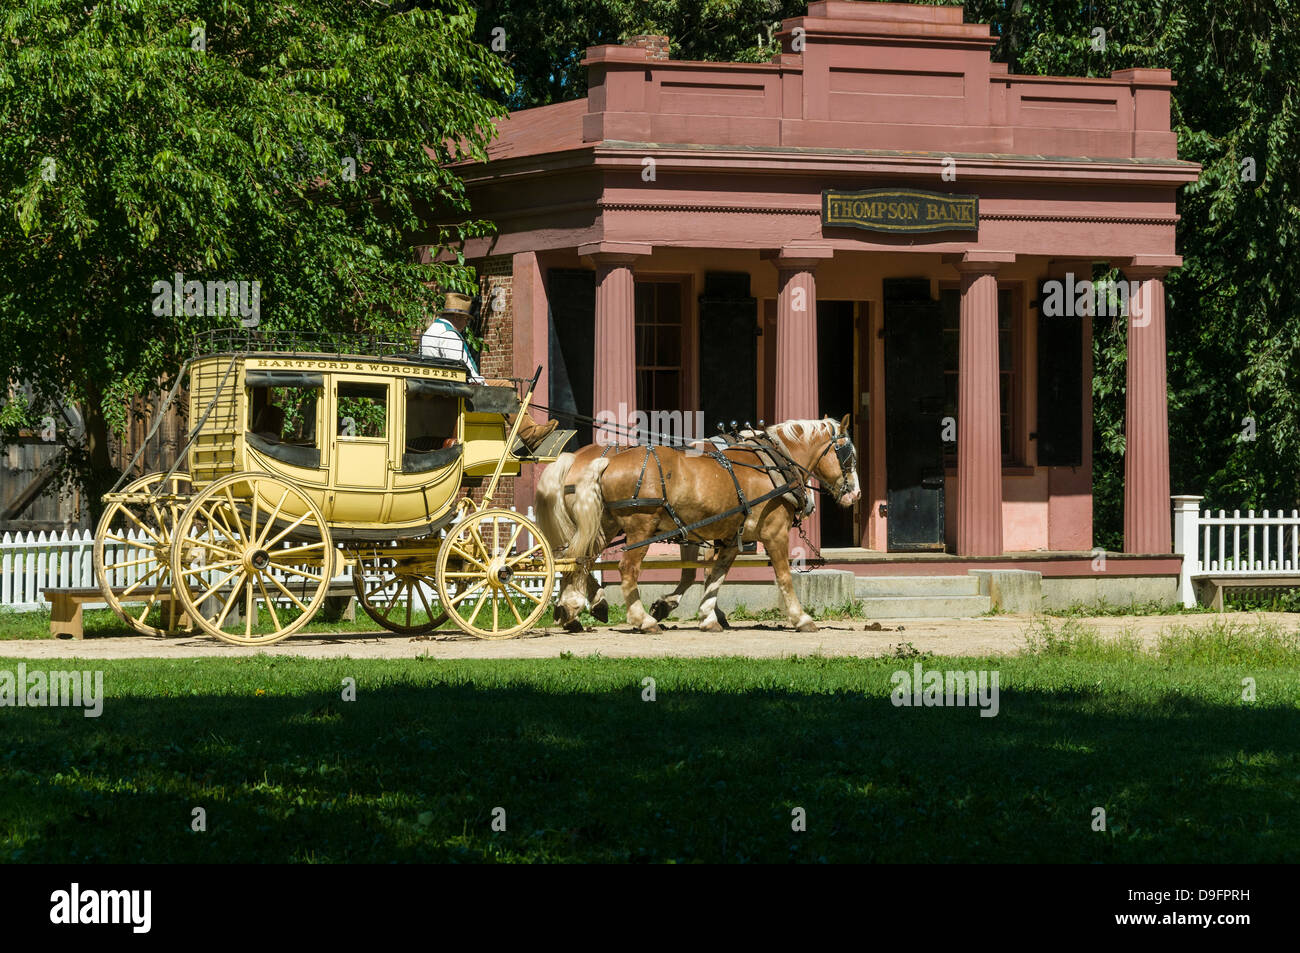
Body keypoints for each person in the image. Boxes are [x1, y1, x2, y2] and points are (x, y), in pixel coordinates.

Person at [420, 292, 558, 451]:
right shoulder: (449, 335)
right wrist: (484, 384)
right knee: (504, 387)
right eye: (465, 320)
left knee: (502, 384)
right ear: (457, 317)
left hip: (443, 389)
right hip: (459, 391)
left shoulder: (431, 331)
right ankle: (530, 434)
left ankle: (530, 432)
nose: (465, 324)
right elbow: (462, 369)